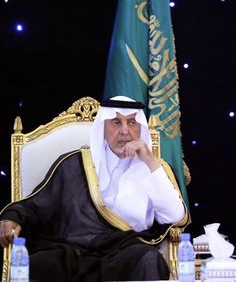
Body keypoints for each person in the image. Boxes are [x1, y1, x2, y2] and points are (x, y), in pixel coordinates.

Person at [0, 96, 189, 281]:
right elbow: (38, 204)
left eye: (132, 122)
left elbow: (176, 216)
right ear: (103, 128)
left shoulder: (153, 168)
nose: (125, 131)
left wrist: (149, 160)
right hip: (71, 251)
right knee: (39, 264)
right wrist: (12, 217)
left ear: (140, 127)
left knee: (148, 259)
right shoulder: (76, 164)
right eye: (116, 122)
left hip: (125, 252)